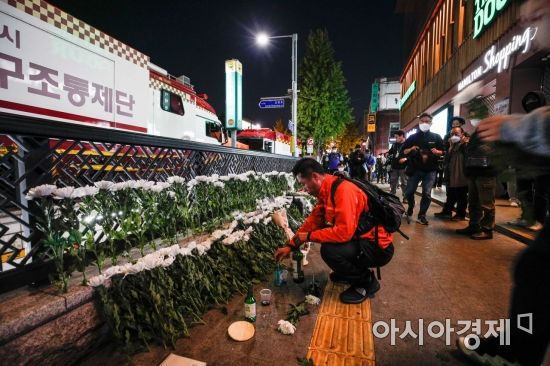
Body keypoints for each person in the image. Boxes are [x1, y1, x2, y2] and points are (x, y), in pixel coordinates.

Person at [274, 158, 394, 304]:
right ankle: (349, 273)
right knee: (328, 240)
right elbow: (313, 222)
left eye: (304, 184)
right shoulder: (328, 190)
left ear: (315, 177)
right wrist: (291, 245)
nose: (304, 189)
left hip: (377, 248)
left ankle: (367, 282)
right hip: (361, 240)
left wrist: (309, 236)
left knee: (330, 251)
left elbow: (343, 232)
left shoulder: (344, 191)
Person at [402, 113, 444, 225]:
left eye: (427, 121)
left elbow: (443, 151)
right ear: (419, 122)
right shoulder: (412, 137)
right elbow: (404, 151)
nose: (425, 123)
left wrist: (438, 152)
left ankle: (422, 215)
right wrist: (411, 148)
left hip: (430, 170)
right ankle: (411, 205)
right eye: (422, 121)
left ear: (431, 123)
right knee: (409, 192)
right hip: (415, 169)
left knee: (427, 193)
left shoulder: (437, 137)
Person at [434, 126, 468, 220]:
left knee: (461, 196)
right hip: (452, 174)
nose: (453, 136)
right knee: (451, 195)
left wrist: (464, 143)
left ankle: (460, 215)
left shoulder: (465, 144)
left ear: (462, 135)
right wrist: (450, 146)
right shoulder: (452, 146)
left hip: (461, 175)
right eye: (452, 134)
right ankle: (447, 212)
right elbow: (447, 159)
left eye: (456, 134)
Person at [387, 130, 408, 202]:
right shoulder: (395, 144)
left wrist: (405, 158)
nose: (396, 139)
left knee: (404, 183)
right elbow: (391, 151)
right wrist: (388, 153)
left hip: (403, 167)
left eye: (397, 137)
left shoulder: (408, 144)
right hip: (394, 166)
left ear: (402, 136)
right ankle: (392, 196)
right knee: (393, 182)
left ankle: (405, 197)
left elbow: (412, 155)